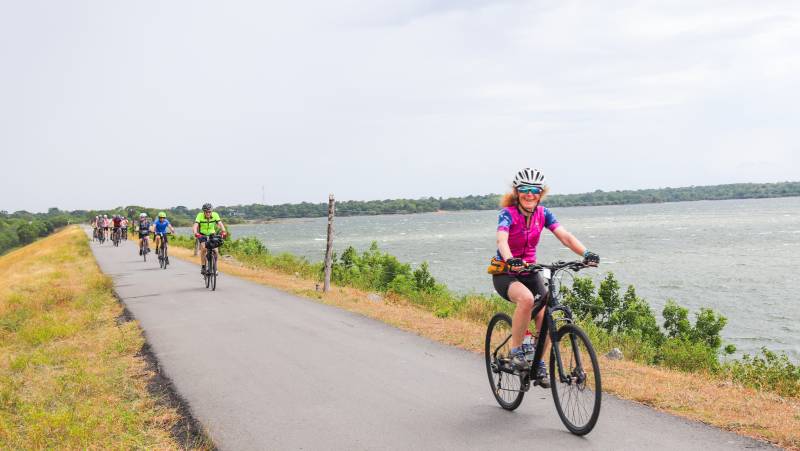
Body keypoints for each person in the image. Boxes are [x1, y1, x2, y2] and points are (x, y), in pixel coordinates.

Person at [491, 168, 599, 387]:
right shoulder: (508, 214)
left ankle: (539, 363)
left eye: (534, 190)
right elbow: (502, 240)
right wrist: (511, 259)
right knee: (527, 299)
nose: (529, 194)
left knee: (546, 312)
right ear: (516, 192)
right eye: (524, 190)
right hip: (505, 271)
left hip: (529, 271)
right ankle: (516, 352)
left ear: (540, 193)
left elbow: (565, 237)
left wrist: (586, 254)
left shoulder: (544, 214)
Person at [192, 203, 227, 275]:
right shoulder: (200, 216)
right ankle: (203, 266)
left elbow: (220, 224)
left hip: (212, 234)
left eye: (209, 211)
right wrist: (196, 233)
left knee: (216, 251)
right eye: (206, 212)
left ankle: (215, 267)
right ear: (203, 212)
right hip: (202, 235)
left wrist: (224, 231)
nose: (208, 213)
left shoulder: (215, 215)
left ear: (211, 211)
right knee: (204, 249)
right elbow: (195, 226)